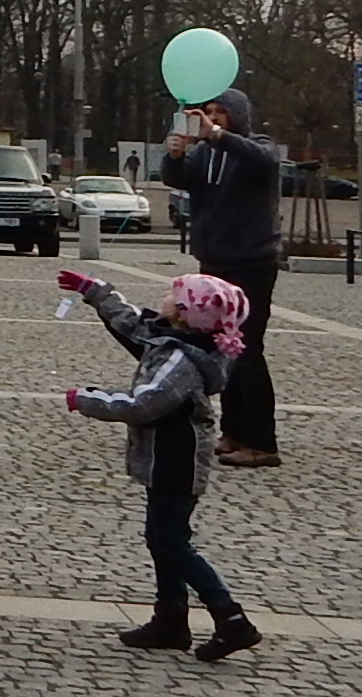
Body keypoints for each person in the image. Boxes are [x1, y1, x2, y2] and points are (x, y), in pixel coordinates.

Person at [60, 268, 262, 662]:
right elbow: (135, 327)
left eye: (173, 296)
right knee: (162, 538)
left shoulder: (182, 360)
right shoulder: (178, 340)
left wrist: (86, 399)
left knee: (171, 541)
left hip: (177, 460)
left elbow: (143, 403)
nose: (164, 299)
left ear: (186, 314)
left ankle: (230, 617)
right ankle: (170, 618)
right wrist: (95, 292)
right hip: (168, 458)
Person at [159, 91, 284, 468]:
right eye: (208, 113)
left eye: (220, 113)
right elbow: (179, 179)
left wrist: (216, 135)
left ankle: (261, 441)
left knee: (246, 350)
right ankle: (234, 432)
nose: (212, 119)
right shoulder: (204, 154)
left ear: (237, 117)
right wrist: (175, 155)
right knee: (223, 351)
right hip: (214, 260)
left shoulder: (256, 147)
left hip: (252, 261)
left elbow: (263, 162)